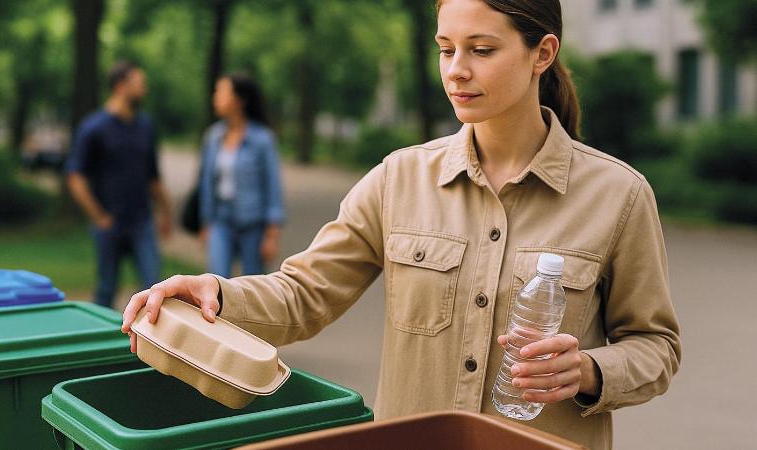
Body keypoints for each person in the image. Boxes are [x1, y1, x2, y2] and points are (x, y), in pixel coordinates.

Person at [121, 1, 681, 448]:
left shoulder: (618, 196)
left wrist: (586, 370)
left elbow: (656, 346)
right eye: (445, 49)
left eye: (481, 49)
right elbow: (303, 294)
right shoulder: (399, 178)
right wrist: (215, 292)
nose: (456, 70)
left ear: (542, 53)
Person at [66, 60, 172, 308]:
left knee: (155, 288)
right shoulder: (93, 128)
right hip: (109, 224)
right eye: (139, 83)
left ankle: (150, 345)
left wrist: (166, 211)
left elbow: (153, 176)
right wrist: (98, 216)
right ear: (121, 86)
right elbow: (75, 177)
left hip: (142, 222)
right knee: (106, 289)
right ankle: (101, 345)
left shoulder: (146, 126)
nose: (144, 88)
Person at [198, 74, 285, 277]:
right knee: (216, 281)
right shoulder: (213, 137)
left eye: (221, 92)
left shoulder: (263, 140)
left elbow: (273, 187)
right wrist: (206, 223)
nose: (215, 97)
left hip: (253, 223)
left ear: (239, 100)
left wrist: (272, 234)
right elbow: (207, 184)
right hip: (221, 220)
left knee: (253, 285)